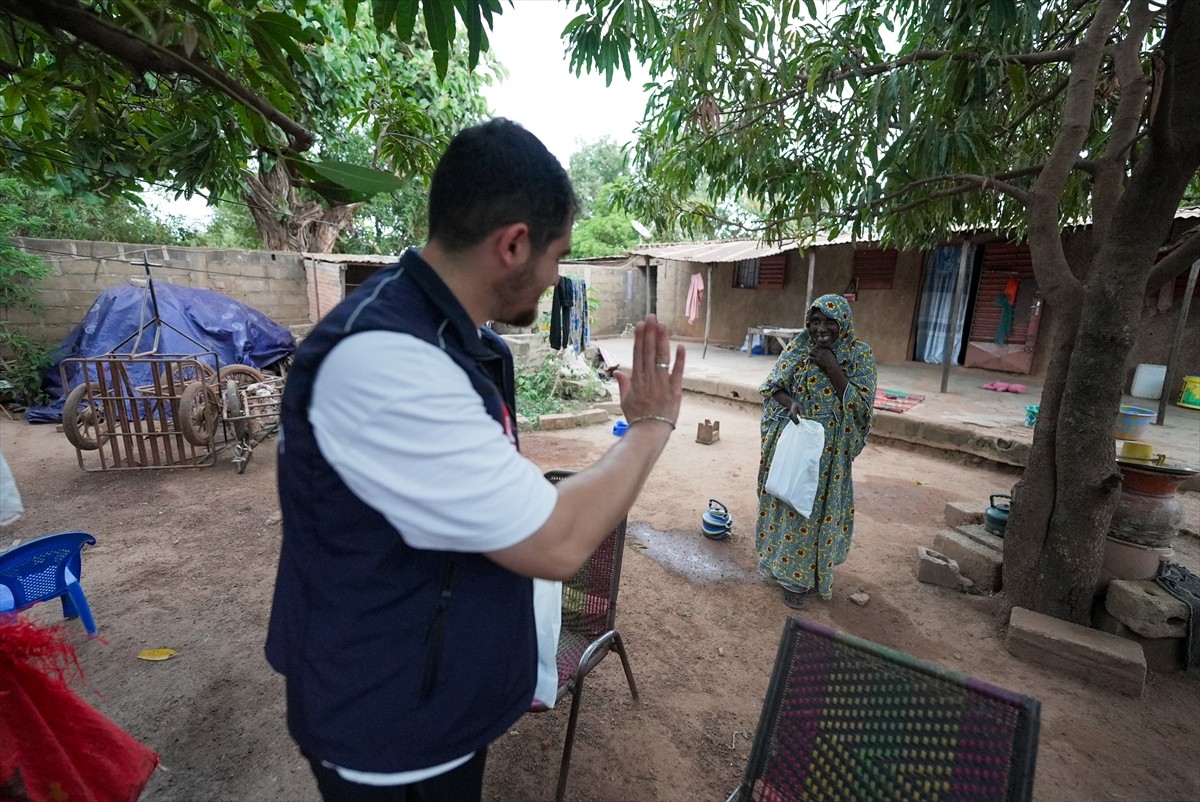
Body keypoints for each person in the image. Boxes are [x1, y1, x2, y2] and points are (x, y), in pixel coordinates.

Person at [265, 118, 684, 802]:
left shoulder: (440, 337)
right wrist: (650, 428)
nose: (556, 278)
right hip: (392, 730)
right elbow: (556, 542)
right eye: (559, 256)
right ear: (514, 244)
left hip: (422, 694)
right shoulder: (390, 360)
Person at [755, 293, 877, 609]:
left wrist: (833, 367)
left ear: (844, 323)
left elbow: (863, 410)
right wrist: (791, 403)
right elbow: (773, 387)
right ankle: (791, 578)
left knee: (817, 509)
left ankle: (813, 573)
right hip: (798, 443)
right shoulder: (798, 348)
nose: (821, 329)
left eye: (830, 322)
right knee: (793, 504)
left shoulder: (860, 357)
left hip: (832, 452)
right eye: (816, 321)